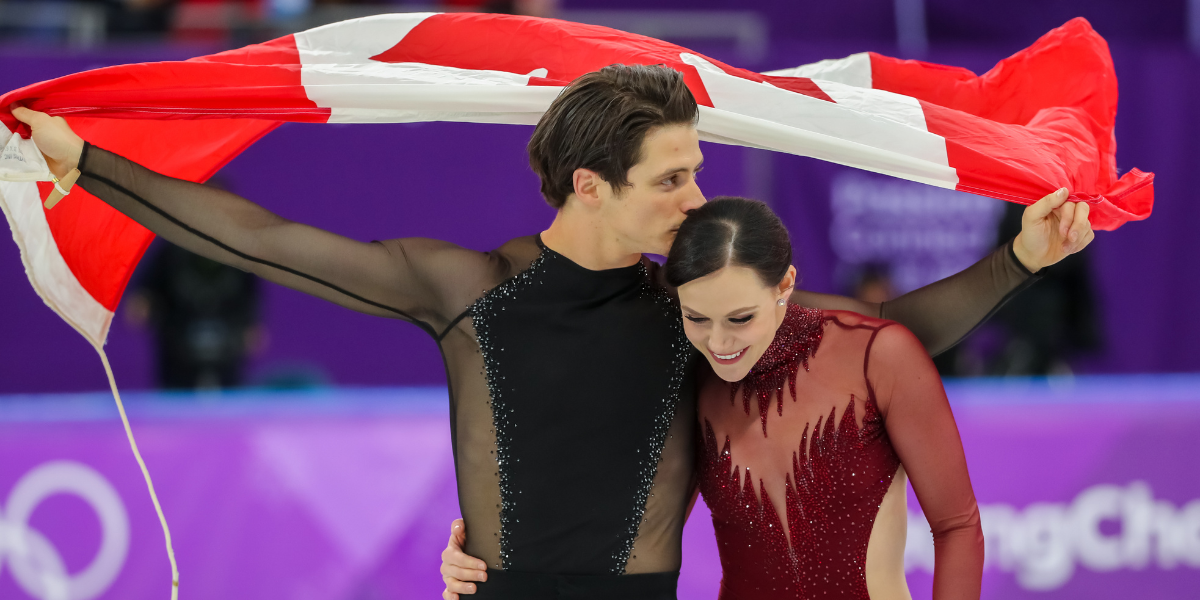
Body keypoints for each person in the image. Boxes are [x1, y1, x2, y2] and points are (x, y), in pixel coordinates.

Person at [13, 63, 1091, 600]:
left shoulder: (689, 306)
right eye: (674, 176)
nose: (695, 193)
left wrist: (1018, 263)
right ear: (591, 184)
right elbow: (264, 238)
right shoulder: (466, 289)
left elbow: (879, 335)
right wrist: (87, 165)